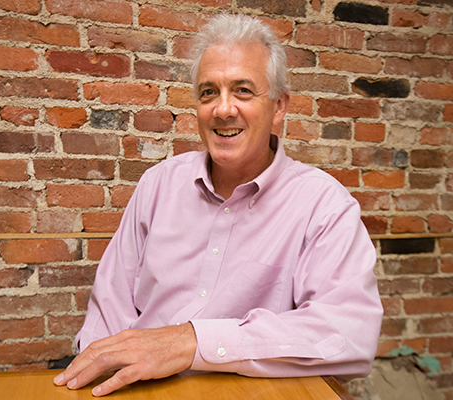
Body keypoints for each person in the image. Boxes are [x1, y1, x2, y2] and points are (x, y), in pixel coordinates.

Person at [54, 14, 383, 397]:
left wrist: (191, 341)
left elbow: (348, 334)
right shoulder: (157, 185)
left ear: (279, 106)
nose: (223, 109)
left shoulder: (324, 206)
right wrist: (97, 374)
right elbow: (109, 306)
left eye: (243, 90)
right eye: (209, 92)